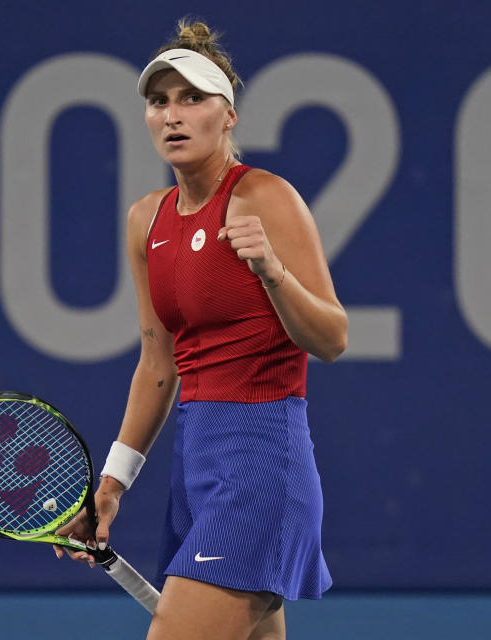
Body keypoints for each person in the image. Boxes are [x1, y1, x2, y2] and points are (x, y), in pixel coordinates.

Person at [55, 19, 348, 640]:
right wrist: (111, 484)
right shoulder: (145, 221)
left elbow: (331, 338)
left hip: (263, 458)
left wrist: (272, 272)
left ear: (228, 115)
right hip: (198, 461)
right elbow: (158, 364)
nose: (173, 115)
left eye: (193, 99)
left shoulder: (265, 198)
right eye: (158, 101)